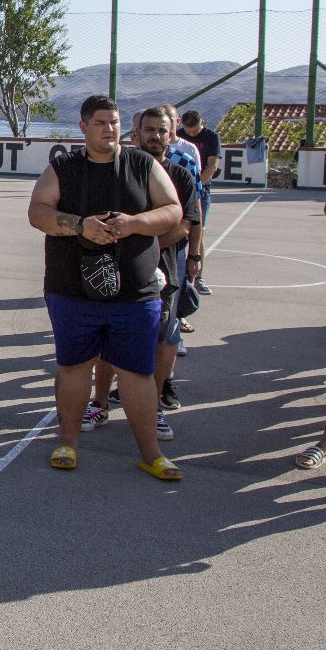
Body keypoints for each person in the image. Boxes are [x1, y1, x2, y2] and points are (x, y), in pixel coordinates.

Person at [27, 94, 184, 479]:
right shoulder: (63, 167)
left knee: (137, 373)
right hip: (72, 291)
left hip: (135, 292)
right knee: (73, 367)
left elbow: (173, 210)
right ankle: (67, 442)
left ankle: (151, 453)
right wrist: (80, 225)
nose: (109, 129)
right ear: (83, 127)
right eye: (100, 123)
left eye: (114, 122)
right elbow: (38, 211)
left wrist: (134, 223)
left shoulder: (142, 164)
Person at [90, 109, 202, 440]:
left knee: (163, 338)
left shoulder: (181, 175)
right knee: (108, 337)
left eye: (161, 131)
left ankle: (153, 408)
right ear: (136, 134)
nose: (155, 136)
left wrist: (148, 246)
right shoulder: (118, 170)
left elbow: (186, 224)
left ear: (171, 135)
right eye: (149, 130)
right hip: (116, 268)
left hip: (163, 270)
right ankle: (99, 403)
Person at [176, 108, 220, 295]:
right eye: (188, 132)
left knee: (198, 231)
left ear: (202, 123)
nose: (191, 135)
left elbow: (212, 166)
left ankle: (199, 277)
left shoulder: (211, 137)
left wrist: (195, 187)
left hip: (200, 191)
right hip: (177, 192)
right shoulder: (178, 136)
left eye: (195, 132)